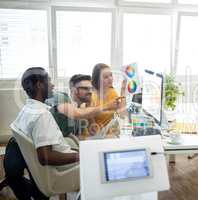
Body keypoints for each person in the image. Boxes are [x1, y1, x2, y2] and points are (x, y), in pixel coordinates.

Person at [4, 67, 79, 200]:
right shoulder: (42, 115)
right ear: (39, 84)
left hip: (61, 160)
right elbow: (45, 156)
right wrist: (80, 156)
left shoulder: (28, 109)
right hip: (65, 171)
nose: (52, 84)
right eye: (49, 80)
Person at [46, 74, 118, 138]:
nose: (90, 92)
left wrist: (89, 105)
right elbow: (75, 113)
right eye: (85, 88)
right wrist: (107, 106)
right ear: (74, 90)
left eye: (91, 89)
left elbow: (93, 133)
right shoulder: (62, 97)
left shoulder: (82, 111)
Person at [89, 63, 127, 136]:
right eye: (106, 77)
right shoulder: (91, 97)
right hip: (97, 136)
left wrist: (123, 91)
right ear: (97, 80)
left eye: (111, 75)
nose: (110, 78)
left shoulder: (112, 92)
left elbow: (122, 115)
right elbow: (93, 129)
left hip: (110, 133)